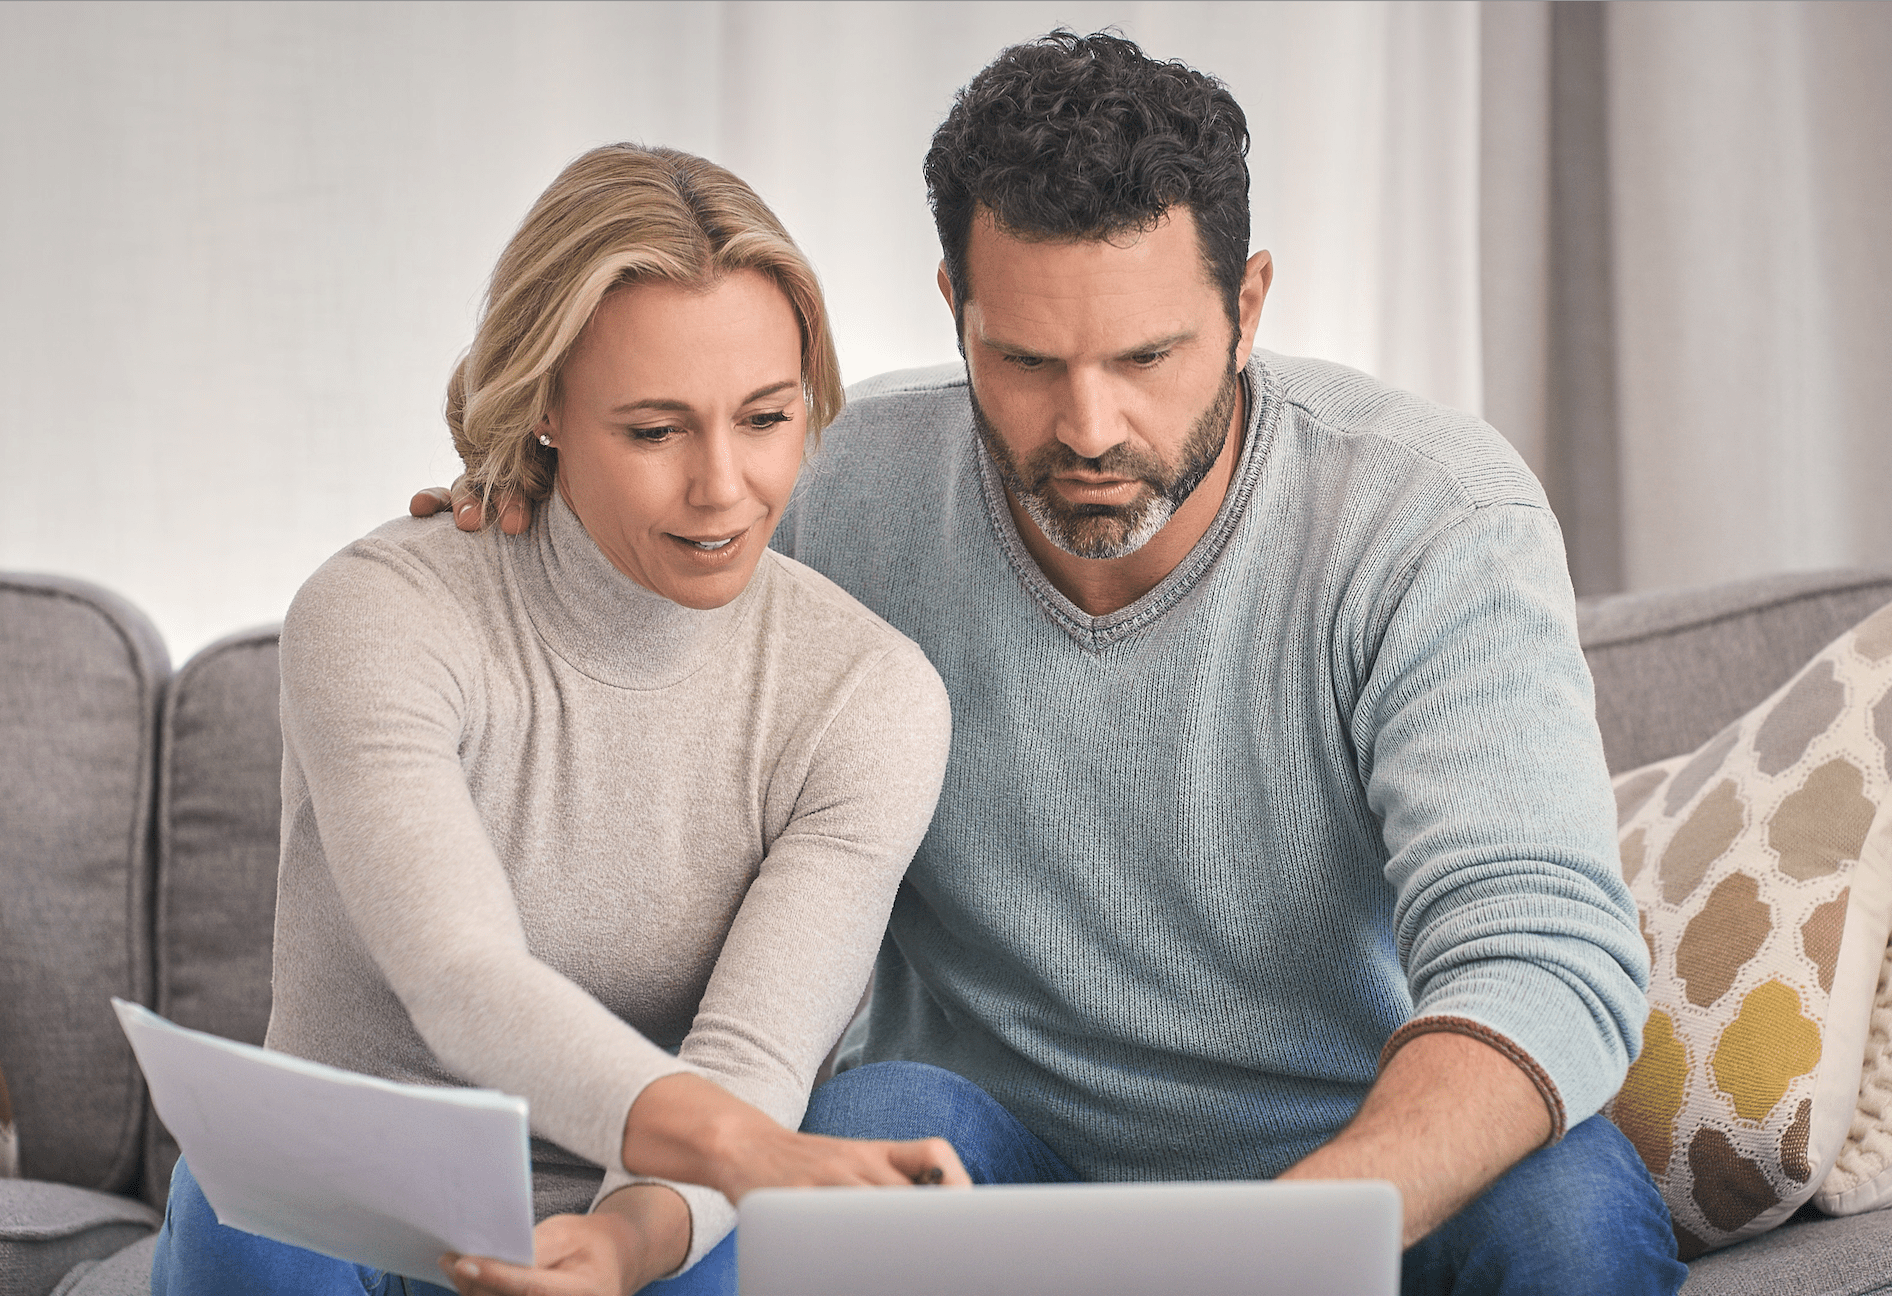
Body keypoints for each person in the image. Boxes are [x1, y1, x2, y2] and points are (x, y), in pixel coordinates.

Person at [422, 32, 1687, 1296]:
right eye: (1024, 362)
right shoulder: (837, 497)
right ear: (953, 312)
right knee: (862, 1132)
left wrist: (1286, 1247)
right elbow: (639, 596)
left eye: (1146, 358)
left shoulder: (1428, 519)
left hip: (1353, 1170)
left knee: (1566, 1217)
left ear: (1246, 307)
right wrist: (525, 538)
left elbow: (1539, 951)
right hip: (992, 1172)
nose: (1087, 428)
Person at [154, 144, 969, 1296]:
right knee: (247, 1178)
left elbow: (754, 1056)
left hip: (646, 1225)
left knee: (863, 1128)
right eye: (653, 431)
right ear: (544, 406)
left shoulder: (865, 695)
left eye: (766, 417)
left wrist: (632, 1238)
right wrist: (748, 1152)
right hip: (347, 1222)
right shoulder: (382, 613)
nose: (723, 487)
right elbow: (458, 975)